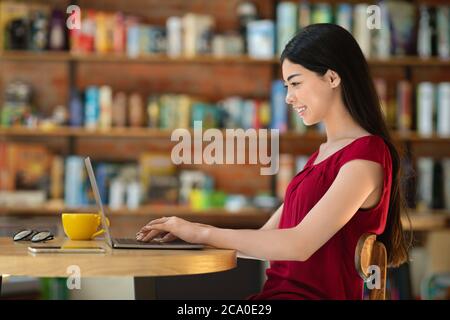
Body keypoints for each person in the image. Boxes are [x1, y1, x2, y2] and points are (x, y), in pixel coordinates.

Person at [135, 24, 412, 299]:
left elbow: (299, 244)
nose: (289, 97)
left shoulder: (367, 155)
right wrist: (190, 239)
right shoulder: (322, 155)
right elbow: (268, 237)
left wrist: (201, 232)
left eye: (296, 83)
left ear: (331, 78)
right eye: (286, 86)